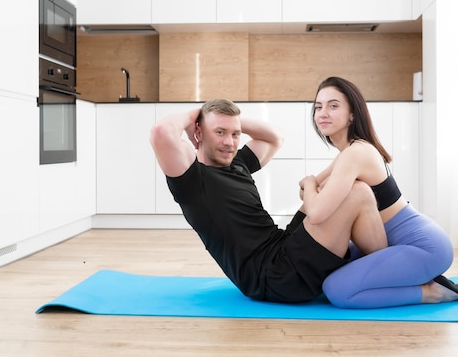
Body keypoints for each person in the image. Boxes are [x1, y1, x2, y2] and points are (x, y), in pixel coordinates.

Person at [149, 98, 387, 303]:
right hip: (273, 277)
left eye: (235, 134)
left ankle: (377, 266)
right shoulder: (192, 180)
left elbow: (275, 137)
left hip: (282, 246)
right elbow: (161, 132)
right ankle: (387, 274)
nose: (230, 142)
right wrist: (196, 115)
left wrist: (226, 122)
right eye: (219, 132)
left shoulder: (237, 163)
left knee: (336, 189)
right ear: (199, 132)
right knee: (359, 193)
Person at [303, 76, 458, 308]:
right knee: (323, 271)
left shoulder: (356, 153)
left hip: (423, 246)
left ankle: (432, 292)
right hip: (391, 244)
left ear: (352, 114)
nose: (322, 113)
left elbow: (315, 209)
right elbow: (309, 190)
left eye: (333, 106)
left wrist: (311, 183)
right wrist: (312, 186)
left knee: (337, 291)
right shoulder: (349, 153)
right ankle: (416, 279)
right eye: (318, 107)